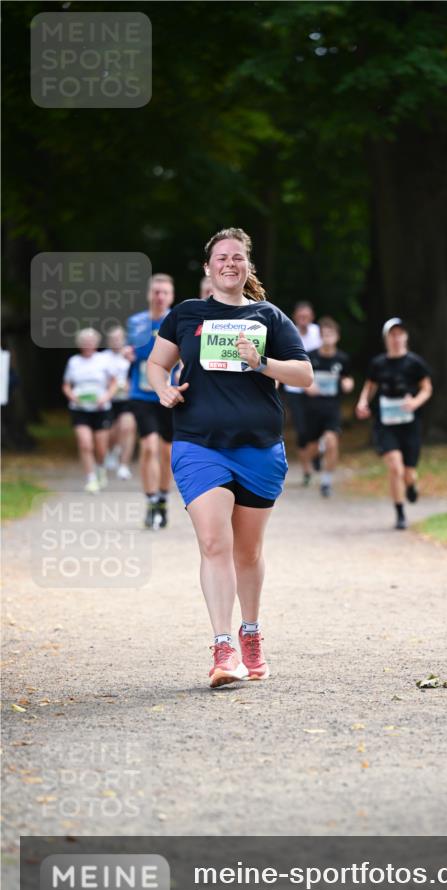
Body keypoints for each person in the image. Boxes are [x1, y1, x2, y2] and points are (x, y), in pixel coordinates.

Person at [146, 227, 313, 687]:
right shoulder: (186, 314)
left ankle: (251, 633)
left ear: (247, 266)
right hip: (198, 443)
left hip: (259, 447)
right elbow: (156, 364)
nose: (229, 264)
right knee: (214, 543)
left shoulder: (268, 317)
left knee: (248, 550)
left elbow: (304, 374)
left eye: (237, 257)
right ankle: (223, 648)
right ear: (207, 267)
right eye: (221, 257)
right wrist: (163, 389)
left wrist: (262, 362)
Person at [355, 318, 432, 529]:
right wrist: (363, 402)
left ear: (406, 337)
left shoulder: (415, 363)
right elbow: (369, 386)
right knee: (395, 467)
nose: (396, 338)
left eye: (400, 334)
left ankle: (411, 485)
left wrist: (415, 402)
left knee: (408, 473)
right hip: (386, 423)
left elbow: (427, 388)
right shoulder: (378, 364)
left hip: (409, 424)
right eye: (392, 334)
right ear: (386, 338)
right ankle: (400, 513)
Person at [125, 274, 176, 528]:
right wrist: (126, 353)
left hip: (169, 393)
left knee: (167, 452)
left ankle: (163, 499)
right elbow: (131, 351)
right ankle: (151, 500)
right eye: (156, 291)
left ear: (171, 296)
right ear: (149, 294)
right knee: (149, 447)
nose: (160, 296)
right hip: (142, 394)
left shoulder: (177, 320)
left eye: (164, 292)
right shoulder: (135, 323)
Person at [303, 316, 354, 497]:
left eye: (331, 334)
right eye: (324, 334)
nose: (327, 338)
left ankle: (326, 482)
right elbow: (303, 379)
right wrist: (308, 386)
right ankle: (315, 456)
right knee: (311, 446)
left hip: (332, 407)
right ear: (320, 337)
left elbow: (348, 377)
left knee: (332, 441)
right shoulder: (310, 356)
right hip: (312, 407)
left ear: (337, 337)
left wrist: (348, 384)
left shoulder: (342, 359)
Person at [61, 328, 117, 493]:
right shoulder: (73, 361)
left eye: (90, 341)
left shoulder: (104, 360)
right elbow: (66, 385)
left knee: (100, 447)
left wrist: (106, 397)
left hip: (101, 408)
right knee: (85, 444)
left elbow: (114, 383)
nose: (87, 345)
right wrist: (72, 396)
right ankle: (91, 478)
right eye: (84, 342)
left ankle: (100, 469)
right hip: (80, 409)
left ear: (96, 343)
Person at [283, 301, 322, 485]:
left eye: (306, 316)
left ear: (312, 317)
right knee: (302, 430)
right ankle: (306, 470)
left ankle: (316, 454)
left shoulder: (318, 333)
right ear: (295, 317)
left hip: (315, 388)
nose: (304, 320)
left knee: (318, 428)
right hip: (294, 388)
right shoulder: (289, 331)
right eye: (300, 317)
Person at [102, 325, 133, 480]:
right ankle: (112, 450)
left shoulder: (129, 355)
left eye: (119, 339)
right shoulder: (103, 358)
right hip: (109, 399)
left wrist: (129, 384)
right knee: (112, 431)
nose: (116, 342)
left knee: (127, 427)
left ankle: (124, 466)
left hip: (126, 398)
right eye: (113, 339)